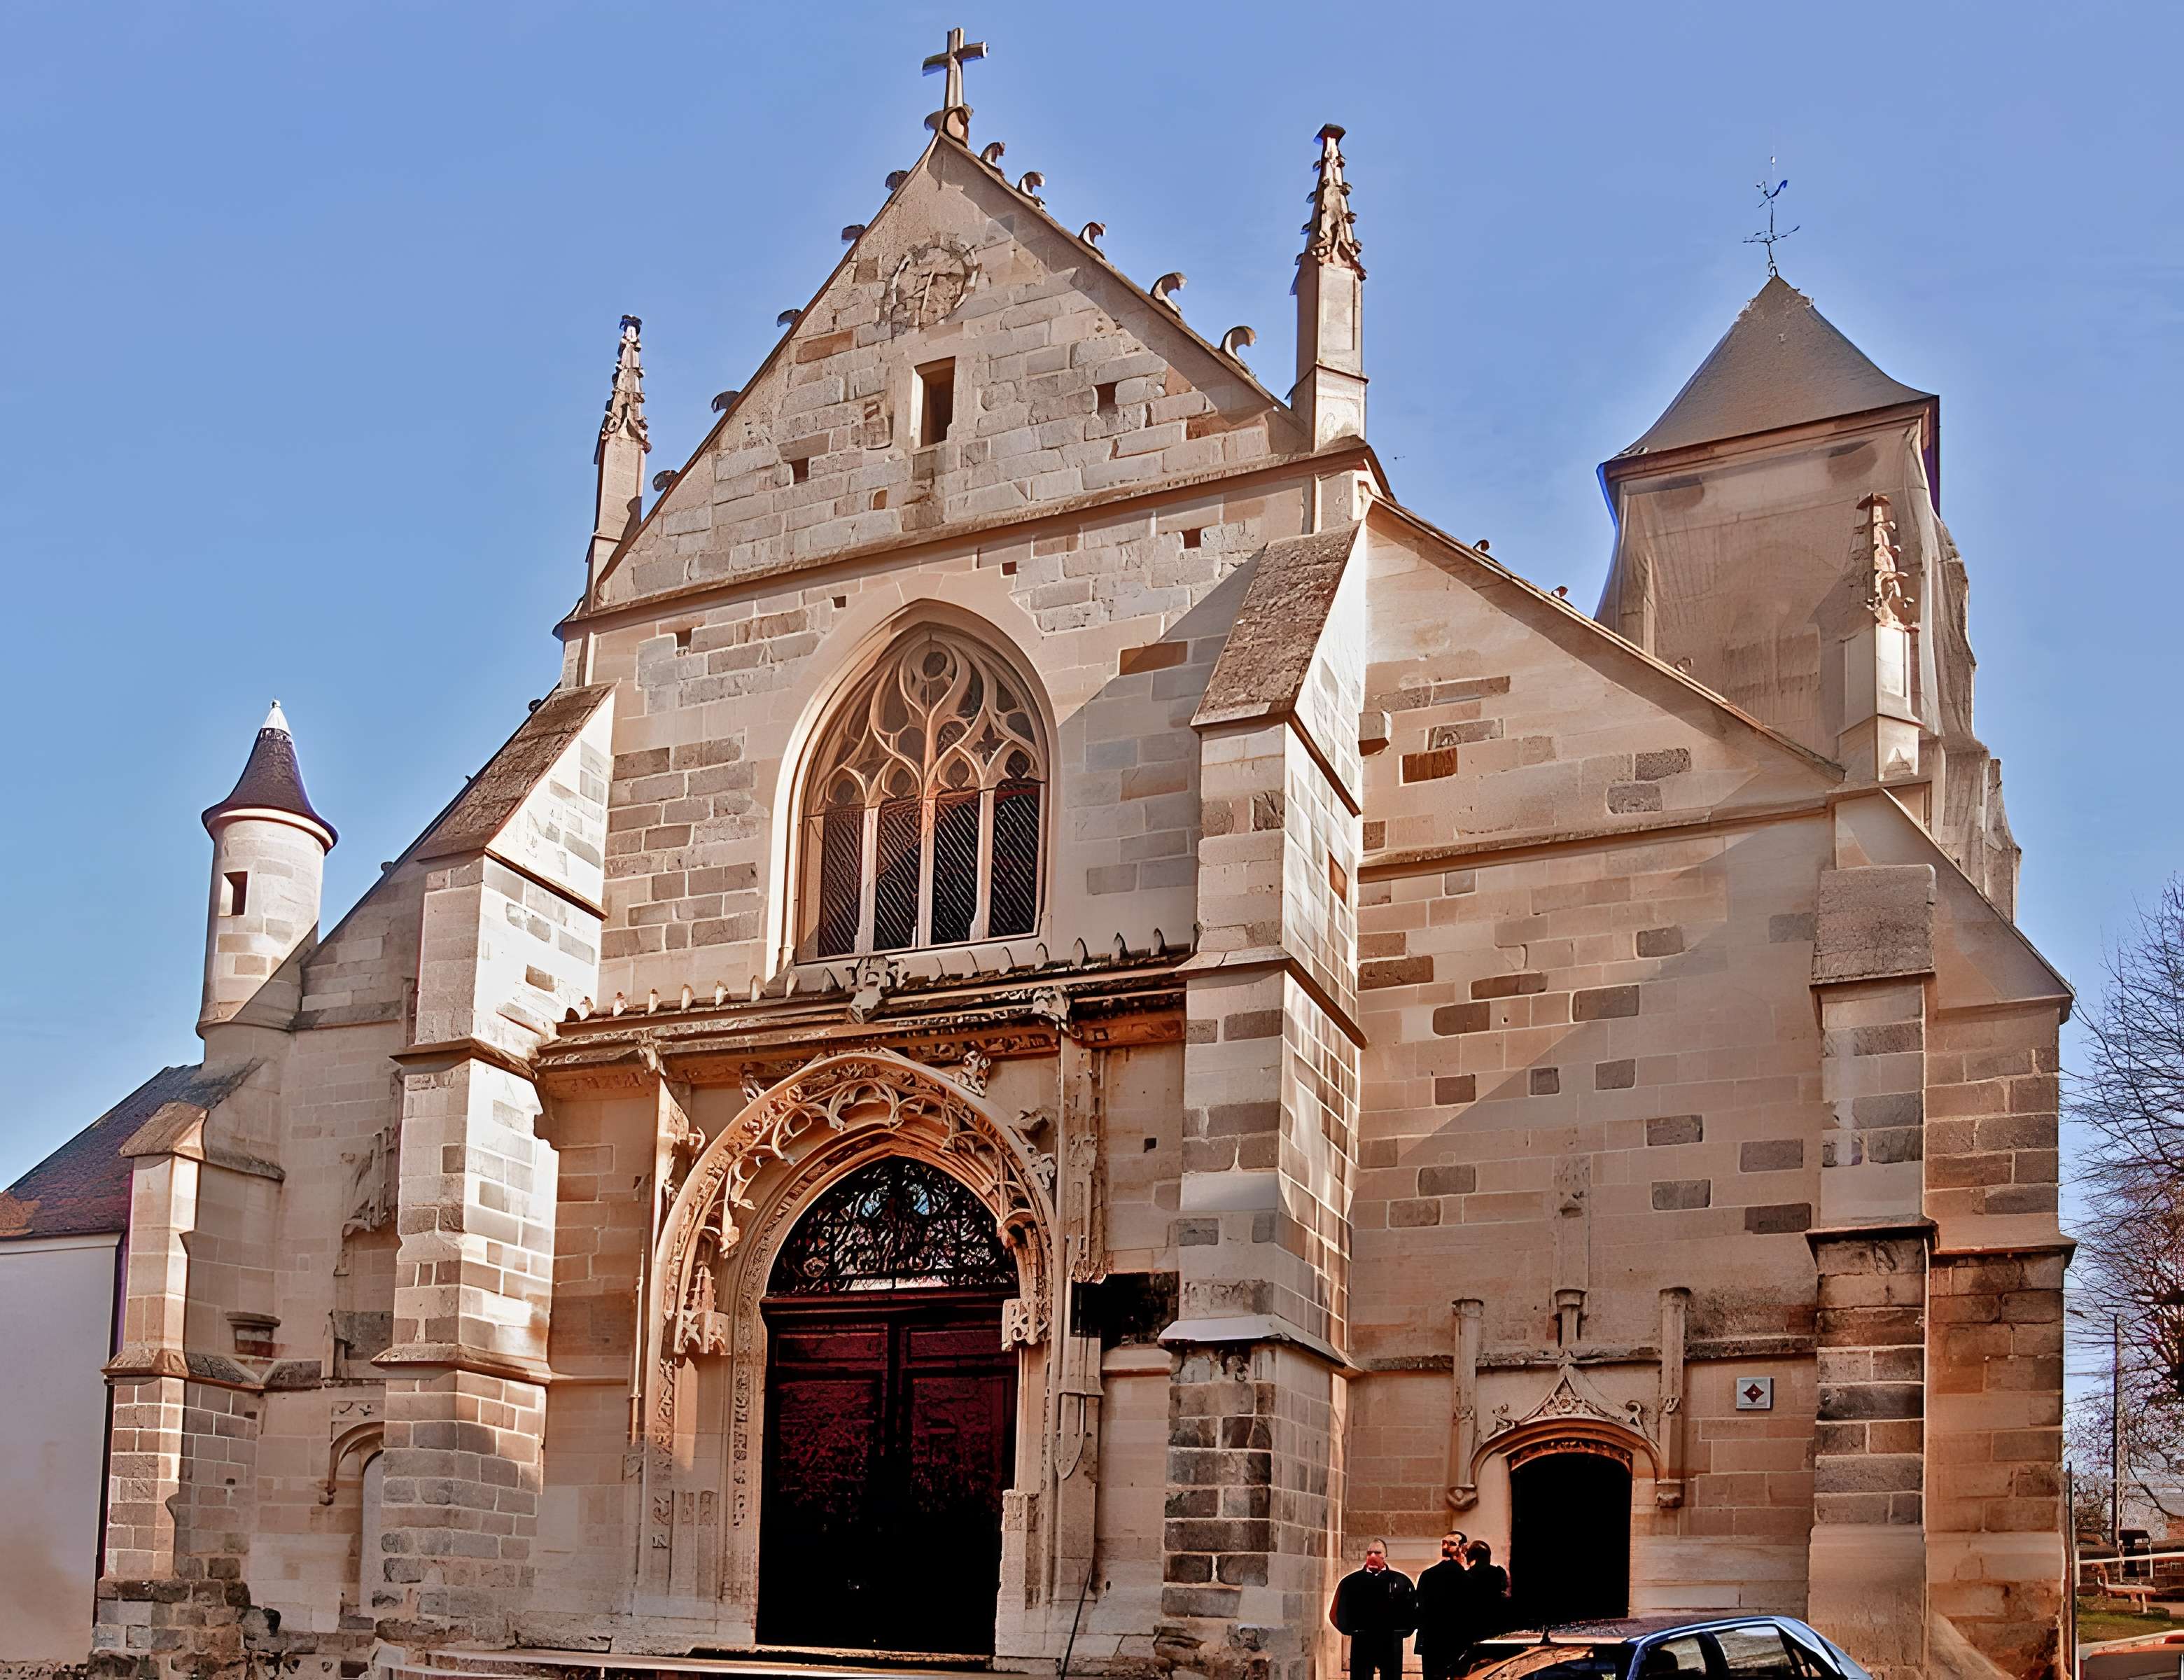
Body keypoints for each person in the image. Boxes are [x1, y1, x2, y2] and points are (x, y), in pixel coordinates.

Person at [1329, 1538, 1415, 1680]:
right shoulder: (1350, 1582)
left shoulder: (1400, 1581)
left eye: (1378, 1552)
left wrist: (1401, 1632)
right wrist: (1352, 1631)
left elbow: (1412, 1610)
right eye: (1370, 1553)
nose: (1373, 1556)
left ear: (1385, 1555)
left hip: (1391, 1642)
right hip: (1362, 1642)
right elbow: (1335, 1613)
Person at [1413, 1531, 1471, 1680]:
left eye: (1449, 1544)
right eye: (1445, 1543)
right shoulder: (1466, 1577)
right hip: (1456, 1642)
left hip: (1432, 1642)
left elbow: (1419, 1609)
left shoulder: (1427, 1576)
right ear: (1463, 1548)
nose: (1445, 1547)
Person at [1460, 1539, 1511, 1640]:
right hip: (1496, 1624)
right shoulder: (1499, 1573)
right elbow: (1505, 1595)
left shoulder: (1465, 1576)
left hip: (1473, 1626)